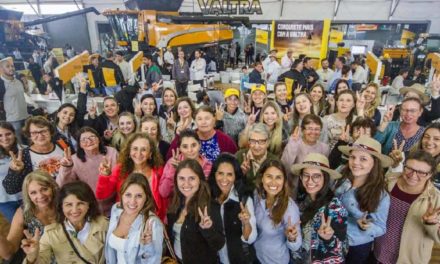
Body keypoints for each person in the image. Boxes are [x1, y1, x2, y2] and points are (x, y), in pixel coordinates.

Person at [335, 136, 393, 264]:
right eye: (353, 157)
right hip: (331, 239)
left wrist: (366, 226)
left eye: (363, 159)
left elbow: (381, 228)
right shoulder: (340, 175)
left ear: (374, 163)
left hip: (356, 246)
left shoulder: (381, 195)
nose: (356, 162)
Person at [373, 151, 440, 264]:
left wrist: (431, 224)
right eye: (409, 168)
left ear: (430, 174)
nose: (413, 175)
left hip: (410, 258)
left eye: (421, 172)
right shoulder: (388, 182)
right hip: (379, 248)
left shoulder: (435, 199)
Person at [21, 181, 108, 263]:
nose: (74, 210)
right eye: (68, 205)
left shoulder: (104, 225)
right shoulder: (51, 233)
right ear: (61, 206)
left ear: (89, 204)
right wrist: (32, 256)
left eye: (80, 203)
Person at [291, 153, 348, 263]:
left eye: (316, 176)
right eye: (306, 175)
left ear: (325, 178)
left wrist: (328, 239)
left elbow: (342, 251)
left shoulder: (335, 208)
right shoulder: (302, 198)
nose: (310, 181)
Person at [167, 159, 225, 264]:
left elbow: (219, 244)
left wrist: (208, 229)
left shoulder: (210, 207)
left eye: (192, 178)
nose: (186, 184)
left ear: (200, 180)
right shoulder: (175, 204)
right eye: (181, 178)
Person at [96, 133, 165, 220]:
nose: (138, 153)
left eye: (143, 149)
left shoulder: (158, 171)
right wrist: (105, 176)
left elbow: (164, 199)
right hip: (126, 218)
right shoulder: (120, 169)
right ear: (129, 151)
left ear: (150, 154)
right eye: (135, 149)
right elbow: (101, 195)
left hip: (151, 218)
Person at [209, 153, 257, 264]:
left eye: (230, 174)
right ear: (214, 174)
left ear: (236, 176)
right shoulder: (210, 197)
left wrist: (246, 223)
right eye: (220, 173)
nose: (224, 179)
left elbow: (251, 238)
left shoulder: (243, 199)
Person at [105, 173, 163, 264]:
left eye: (139, 196)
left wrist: (148, 246)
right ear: (122, 195)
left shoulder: (153, 224)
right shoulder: (116, 209)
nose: (132, 202)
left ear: (146, 198)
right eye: (128, 195)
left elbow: (154, 261)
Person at [0, 170, 58, 261]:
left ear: (53, 187)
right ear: (28, 196)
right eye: (33, 193)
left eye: (44, 189)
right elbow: (9, 253)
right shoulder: (23, 212)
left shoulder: (66, 204)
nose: (40, 196)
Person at [3, 116, 68, 195]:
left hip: (65, 194)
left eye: (44, 131)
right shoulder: (24, 155)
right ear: (29, 135)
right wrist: (15, 172)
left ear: (50, 132)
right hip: (42, 199)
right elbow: (10, 189)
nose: (40, 136)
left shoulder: (63, 144)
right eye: (34, 133)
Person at [254, 159, 302, 263]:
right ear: (262, 178)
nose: (273, 182)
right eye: (269, 176)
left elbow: (296, 247)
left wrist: (292, 238)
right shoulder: (257, 197)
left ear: (284, 181)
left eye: (278, 177)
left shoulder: (290, 208)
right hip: (257, 257)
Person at [57, 127, 118, 208]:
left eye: (92, 137)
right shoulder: (73, 160)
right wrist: (66, 167)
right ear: (80, 145)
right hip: (90, 205)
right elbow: (62, 185)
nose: (89, 141)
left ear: (99, 139)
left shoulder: (112, 152)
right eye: (84, 139)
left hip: (114, 202)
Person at [167, 105, 238, 162]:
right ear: (195, 122)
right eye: (199, 119)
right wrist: (179, 135)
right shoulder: (189, 137)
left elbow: (235, 162)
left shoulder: (225, 140)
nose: (203, 122)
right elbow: (170, 157)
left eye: (207, 118)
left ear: (214, 120)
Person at [160, 129, 212, 205]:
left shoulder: (208, 166)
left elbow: (209, 195)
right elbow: (164, 193)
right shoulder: (172, 163)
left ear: (199, 145)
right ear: (180, 148)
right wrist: (173, 170)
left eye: (193, 145)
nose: (190, 150)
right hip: (176, 210)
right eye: (185, 146)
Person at [281, 114, 330, 195]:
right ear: (302, 130)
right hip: (294, 190)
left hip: (315, 190)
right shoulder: (294, 143)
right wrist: (292, 144)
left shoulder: (325, 148)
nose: (313, 132)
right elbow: (285, 167)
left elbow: (324, 173)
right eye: (310, 128)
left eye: (317, 129)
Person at [236, 123, 278, 190]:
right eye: (253, 141)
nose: (256, 146)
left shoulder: (275, 161)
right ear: (249, 141)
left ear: (268, 142)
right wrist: (241, 173)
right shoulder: (239, 156)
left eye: (261, 141)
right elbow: (232, 184)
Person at [0, 58, 28, 142]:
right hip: (13, 120)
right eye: (7, 66)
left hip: (25, 117)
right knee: (19, 144)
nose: (11, 68)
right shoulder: (1, 84)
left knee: (28, 142)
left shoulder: (18, 81)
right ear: (1, 69)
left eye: (12, 66)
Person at [0, 122, 22, 222]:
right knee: (18, 229)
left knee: (34, 226)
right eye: (0, 135)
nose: (5, 138)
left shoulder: (25, 150)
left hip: (26, 197)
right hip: (5, 201)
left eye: (8, 134)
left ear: (14, 133)